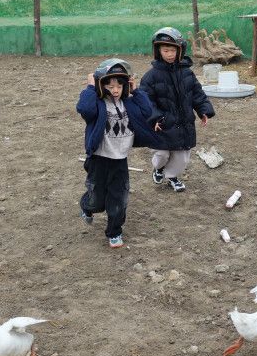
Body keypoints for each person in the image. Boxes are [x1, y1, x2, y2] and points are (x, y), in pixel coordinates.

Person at [77, 58, 155, 249]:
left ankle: (114, 232)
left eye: (120, 85)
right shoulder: (98, 103)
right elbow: (83, 109)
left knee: (118, 198)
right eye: (110, 85)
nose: (116, 89)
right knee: (97, 200)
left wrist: (135, 91)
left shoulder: (129, 102)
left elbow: (148, 110)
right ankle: (87, 206)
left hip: (120, 160)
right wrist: (90, 88)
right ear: (101, 85)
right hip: (99, 159)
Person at [140, 27, 215, 192]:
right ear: (158, 51)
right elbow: (146, 101)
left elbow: (197, 93)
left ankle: (172, 177)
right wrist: (155, 118)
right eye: (165, 50)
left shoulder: (187, 73)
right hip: (162, 124)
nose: (169, 54)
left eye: (173, 50)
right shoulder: (151, 77)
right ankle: (158, 168)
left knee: (181, 157)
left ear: (180, 50)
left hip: (184, 122)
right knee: (162, 154)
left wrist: (203, 110)